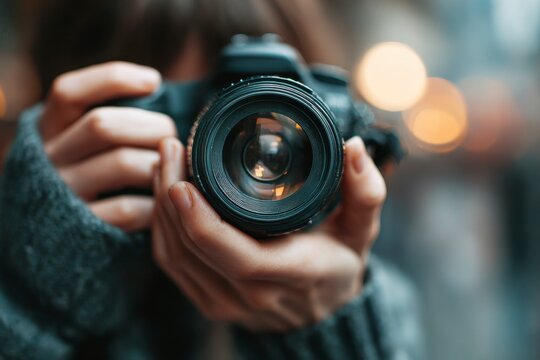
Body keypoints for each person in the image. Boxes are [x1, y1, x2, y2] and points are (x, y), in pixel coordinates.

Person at [0, 0, 422, 358]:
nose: (216, 165)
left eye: (278, 116)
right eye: (181, 119)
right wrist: (34, 288)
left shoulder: (380, 303)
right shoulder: (26, 257)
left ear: (333, 136)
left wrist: (335, 330)